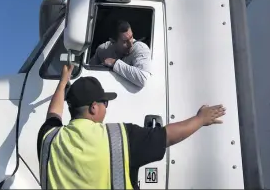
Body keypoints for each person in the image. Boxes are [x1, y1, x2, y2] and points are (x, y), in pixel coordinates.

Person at [37, 65, 226, 190]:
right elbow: (167, 135)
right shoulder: (119, 138)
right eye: (105, 103)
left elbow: (53, 115)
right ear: (94, 107)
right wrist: (200, 119)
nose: (106, 107)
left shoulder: (49, 139)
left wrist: (62, 83)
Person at [89, 20, 151, 88]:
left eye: (131, 37)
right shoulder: (103, 50)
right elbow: (89, 72)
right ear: (112, 41)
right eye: (125, 42)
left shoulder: (141, 49)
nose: (130, 44)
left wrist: (114, 63)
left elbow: (143, 79)